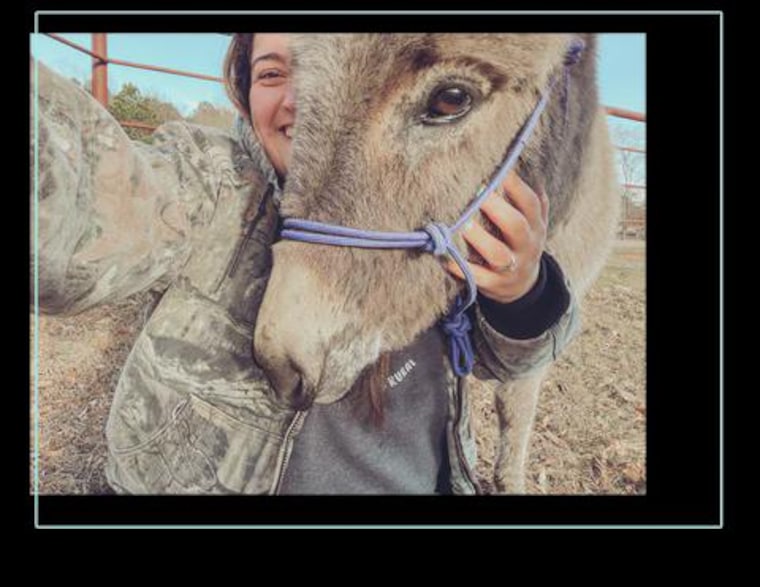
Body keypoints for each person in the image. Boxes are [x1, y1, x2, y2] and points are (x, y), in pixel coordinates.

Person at [32, 33, 580, 495]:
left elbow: (500, 360)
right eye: (273, 73)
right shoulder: (213, 186)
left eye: (319, 70)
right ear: (244, 88)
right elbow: (85, 209)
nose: (307, 96)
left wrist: (523, 296)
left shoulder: (442, 195)